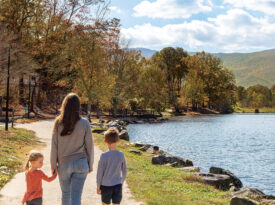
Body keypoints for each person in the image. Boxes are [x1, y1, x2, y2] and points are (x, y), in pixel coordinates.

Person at [50, 93, 94, 205]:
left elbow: (54, 146)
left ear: (64, 105)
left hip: (64, 165)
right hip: (81, 164)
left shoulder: (58, 122)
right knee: (76, 196)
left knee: (66, 195)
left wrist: (53, 166)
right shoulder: (85, 123)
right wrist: (90, 165)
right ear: (78, 106)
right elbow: (90, 146)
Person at [97, 128, 127, 205]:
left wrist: (98, 186)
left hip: (105, 185)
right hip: (117, 185)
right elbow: (124, 170)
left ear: (105, 141)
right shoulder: (121, 154)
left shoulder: (103, 156)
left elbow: (100, 173)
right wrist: (122, 181)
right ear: (118, 141)